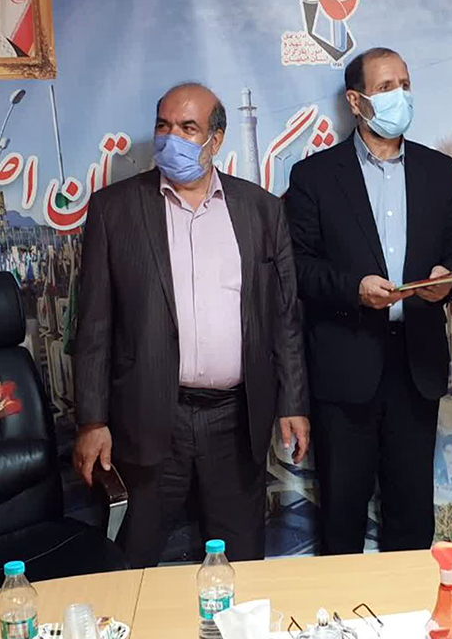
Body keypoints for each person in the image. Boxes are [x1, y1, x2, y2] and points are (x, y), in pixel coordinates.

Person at [73, 83, 310, 566]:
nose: (171, 139)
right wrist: (93, 421)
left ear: (216, 140)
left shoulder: (261, 210)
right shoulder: (115, 210)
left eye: (188, 128)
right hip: (150, 417)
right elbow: (94, 325)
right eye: (163, 126)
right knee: (134, 561)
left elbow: (283, 317)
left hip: (235, 419)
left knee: (240, 561)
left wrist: (292, 403)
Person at [286, 47, 452, 554]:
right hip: (345, 365)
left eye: (405, 85)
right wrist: (353, 289)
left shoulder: (439, 171)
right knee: (343, 514)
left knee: (411, 514)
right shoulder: (315, 177)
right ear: (356, 101)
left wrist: (449, 281)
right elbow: (299, 267)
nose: (401, 96)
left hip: (415, 365)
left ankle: (408, 600)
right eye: (387, 87)